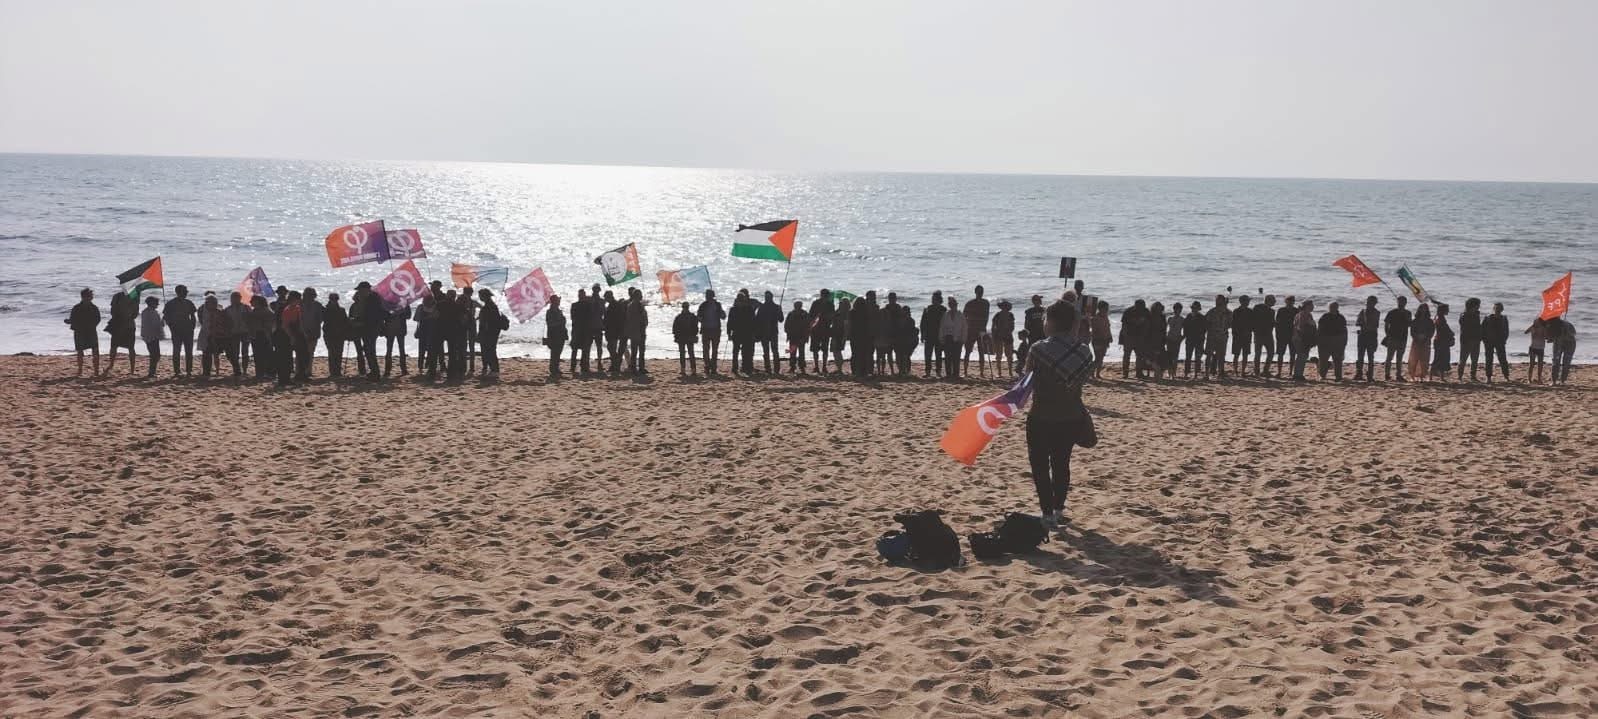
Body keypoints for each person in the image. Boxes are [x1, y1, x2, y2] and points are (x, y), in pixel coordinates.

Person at [1022, 300, 1096, 528]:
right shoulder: (1085, 352)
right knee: (1062, 463)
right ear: (1073, 323)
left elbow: (1026, 380)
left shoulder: (1037, 349)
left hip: (1042, 415)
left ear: (1051, 322)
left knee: (1040, 466)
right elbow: (1081, 380)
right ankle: (1059, 508)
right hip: (1071, 415)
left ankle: (1046, 513)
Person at [352, 282, 386, 381]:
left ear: (366, 289)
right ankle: (374, 371)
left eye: (360, 290)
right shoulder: (368, 298)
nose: (359, 292)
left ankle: (375, 373)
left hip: (372, 328)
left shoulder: (373, 299)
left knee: (369, 349)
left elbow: (372, 316)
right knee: (368, 349)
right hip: (367, 328)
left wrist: (361, 322)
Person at [66, 288, 101, 377]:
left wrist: (69, 321)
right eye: (90, 296)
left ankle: (91, 371)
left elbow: (98, 319)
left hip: (85, 331)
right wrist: (69, 321)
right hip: (85, 331)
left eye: (91, 296)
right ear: (85, 297)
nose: (91, 298)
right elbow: (97, 319)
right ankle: (85, 371)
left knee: (92, 352)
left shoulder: (89, 307)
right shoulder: (80, 307)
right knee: (85, 352)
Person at [162, 285, 197, 376]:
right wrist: (171, 327)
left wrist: (192, 327)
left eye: (186, 291)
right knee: (176, 351)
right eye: (185, 291)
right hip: (176, 330)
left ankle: (189, 370)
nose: (186, 292)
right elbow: (166, 317)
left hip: (188, 330)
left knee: (189, 351)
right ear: (179, 292)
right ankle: (177, 371)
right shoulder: (170, 303)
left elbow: (193, 316)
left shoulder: (189, 302)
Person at [104, 291, 139, 376]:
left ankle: (111, 365)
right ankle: (132, 369)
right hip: (129, 325)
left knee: (114, 346)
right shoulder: (134, 296)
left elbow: (112, 312)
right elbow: (135, 314)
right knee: (130, 347)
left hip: (119, 325)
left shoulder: (117, 296)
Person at [962, 285, 990, 377]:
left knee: (982, 352)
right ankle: (965, 372)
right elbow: (964, 316)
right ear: (975, 292)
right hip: (971, 330)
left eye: (981, 292)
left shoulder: (986, 303)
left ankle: (982, 373)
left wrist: (984, 329)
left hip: (981, 330)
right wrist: (967, 327)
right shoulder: (970, 303)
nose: (980, 294)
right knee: (968, 351)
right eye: (978, 292)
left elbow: (986, 317)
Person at [199, 292, 228, 378]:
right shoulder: (202, 309)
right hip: (206, 332)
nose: (212, 304)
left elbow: (223, 322)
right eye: (210, 302)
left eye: (214, 302)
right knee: (206, 353)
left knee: (216, 353)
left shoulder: (219, 310)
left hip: (217, 333)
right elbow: (201, 320)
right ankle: (206, 371)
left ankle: (217, 370)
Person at [1382, 296, 1411, 381]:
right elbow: (1386, 324)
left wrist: (1407, 319)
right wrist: (1388, 335)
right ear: (1398, 302)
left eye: (1403, 302)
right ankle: (1387, 375)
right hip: (1393, 337)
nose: (1401, 303)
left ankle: (1398, 375)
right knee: (1389, 357)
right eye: (1400, 302)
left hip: (1403, 338)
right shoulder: (1392, 312)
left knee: (1399, 358)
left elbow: (1409, 325)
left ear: (1405, 303)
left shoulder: (1408, 313)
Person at [697, 289, 726, 376]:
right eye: (707, 295)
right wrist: (700, 318)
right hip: (706, 329)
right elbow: (698, 316)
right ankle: (707, 366)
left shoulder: (717, 305)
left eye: (708, 295)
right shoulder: (703, 305)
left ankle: (713, 367)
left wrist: (721, 312)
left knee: (714, 350)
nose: (707, 297)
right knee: (706, 349)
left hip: (715, 330)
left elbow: (723, 316)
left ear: (712, 296)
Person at [1317, 302, 1348, 381]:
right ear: (1329, 308)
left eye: (1334, 307)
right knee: (1323, 359)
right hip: (1326, 340)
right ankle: (1322, 375)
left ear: (1337, 307)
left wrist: (1344, 342)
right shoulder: (1325, 316)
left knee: (1338, 360)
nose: (1332, 308)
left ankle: (1338, 376)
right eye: (1331, 307)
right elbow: (1320, 330)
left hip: (1338, 340)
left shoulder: (1341, 317)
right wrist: (1319, 341)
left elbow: (1344, 330)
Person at [729, 289, 756, 376]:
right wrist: (729, 333)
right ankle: (735, 368)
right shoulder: (733, 309)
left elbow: (753, 322)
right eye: (739, 300)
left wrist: (753, 333)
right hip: (737, 333)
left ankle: (745, 368)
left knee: (745, 352)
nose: (740, 301)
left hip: (746, 333)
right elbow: (729, 322)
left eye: (741, 300)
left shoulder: (748, 309)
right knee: (736, 352)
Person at [298, 287, 324, 380]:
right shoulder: (299, 304)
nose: (309, 297)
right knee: (301, 352)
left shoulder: (318, 305)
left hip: (313, 332)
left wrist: (314, 328)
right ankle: (300, 371)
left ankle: (308, 371)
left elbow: (320, 319)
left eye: (311, 295)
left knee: (310, 352)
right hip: (300, 331)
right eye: (307, 295)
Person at [1353, 295, 1380, 382]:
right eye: (1368, 302)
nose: (1369, 304)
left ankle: (1370, 375)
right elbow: (1357, 323)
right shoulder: (1363, 311)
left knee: (1370, 357)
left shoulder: (1376, 312)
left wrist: (1366, 324)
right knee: (1360, 356)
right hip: (1363, 335)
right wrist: (1362, 323)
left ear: (1375, 303)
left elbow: (1375, 325)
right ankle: (1359, 373)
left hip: (1371, 335)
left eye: (1372, 302)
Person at [919, 290, 946, 378]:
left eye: (934, 299)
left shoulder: (943, 309)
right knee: (928, 354)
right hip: (929, 334)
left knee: (938, 354)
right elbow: (922, 323)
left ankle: (938, 371)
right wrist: (922, 335)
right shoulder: (927, 309)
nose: (933, 301)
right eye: (932, 299)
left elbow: (945, 324)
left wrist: (944, 335)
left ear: (939, 300)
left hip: (939, 335)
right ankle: (928, 372)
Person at [279, 291, 304, 386]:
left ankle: (295, 376)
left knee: (298, 356)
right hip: (286, 335)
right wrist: (291, 337)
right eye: (298, 299)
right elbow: (285, 325)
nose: (300, 301)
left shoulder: (297, 308)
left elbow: (299, 322)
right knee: (286, 358)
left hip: (295, 333)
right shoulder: (287, 309)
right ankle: (284, 379)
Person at [1118, 299, 1147, 379]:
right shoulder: (1128, 312)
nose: (1141, 309)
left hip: (1140, 337)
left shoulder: (1145, 311)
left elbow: (1148, 324)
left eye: (1142, 307)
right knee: (1127, 355)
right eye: (1140, 307)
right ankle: (1125, 373)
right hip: (1129, 336)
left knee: (1140, 355)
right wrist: (1123, 337)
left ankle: (1138, 372)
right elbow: (1123, 325)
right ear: (1135, 306)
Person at [808, 290, 835, 375]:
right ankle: (819, 366)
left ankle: (821, 366)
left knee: (822, 349)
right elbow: (811, 316)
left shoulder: (823, 303)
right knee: (819, 349)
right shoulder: (828, 304)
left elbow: (810, 316)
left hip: (821, 329)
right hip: (820, 329)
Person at [1482, 302, 1510, 382]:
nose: (1497, 310)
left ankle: (1506, 376)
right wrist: (1484, 340)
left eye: (1499, 309)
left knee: (1503, 359)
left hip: (1500, 341)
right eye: (1496, 308)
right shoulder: (1488, 318)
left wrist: (1504, 339)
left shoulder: (1504, 318)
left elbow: (1506, 330)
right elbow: (1482, 329)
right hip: (1489, 342)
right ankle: (1488, 377)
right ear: (1493, 309)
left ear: (1502, 310)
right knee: (1489, 360)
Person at [1203, 295, 1230, 380]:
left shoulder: (1228, 312)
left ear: (1223, 301)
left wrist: (1223, 330)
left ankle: (1220, 373)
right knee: (1209, 355)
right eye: (1216, 301)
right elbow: (1205, 323)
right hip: (1212, 336)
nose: (1217, 302)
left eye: (1219, 301)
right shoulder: (1211, 311)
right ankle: (1207, 374)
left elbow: (1230, 324)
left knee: (1221, 356)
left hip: (1222, 336)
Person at [323, 292, 349, 377]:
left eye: (335, 299)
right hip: (329, 334)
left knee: (338, 353)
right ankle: (333, 372)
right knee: (332, 353)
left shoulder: (341, 310)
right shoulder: (326, 310)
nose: (334, 301)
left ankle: (337, 371)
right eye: (332, 299)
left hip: (339, 334)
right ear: (330, 300)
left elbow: (345, 322)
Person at [757, 290, 783, 374]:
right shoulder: (762, 307)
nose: (767, 298)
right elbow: (758, 320)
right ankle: (768, 368)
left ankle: (776, 369)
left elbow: (781, 320)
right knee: (766, 351)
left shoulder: (776, 307)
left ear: (771, 297)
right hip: (764, 332)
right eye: (766, 297)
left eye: (768, 297)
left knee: (774, 351)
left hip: (773, 332)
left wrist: (779, 311)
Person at [248, 295, 274, 380]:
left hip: (263, 334)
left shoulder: (265, 310)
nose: (251, 302)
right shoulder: (254, 310)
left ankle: (268, 373)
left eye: (253, 301)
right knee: (257, 355)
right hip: (256, 334)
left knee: (266, 354)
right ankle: (260, 373)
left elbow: (270, 323)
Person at [383, 300, 410, 378]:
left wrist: (401, 314)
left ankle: (403, 369)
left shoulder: (404, 304)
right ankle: (387, 370)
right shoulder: (387, 304)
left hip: (400, 329)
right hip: (390, 329)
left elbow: (408, 316)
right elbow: (384, 316)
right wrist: (391, 314)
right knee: (389, 350)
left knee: (401, 350)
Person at [1291, 300, 1317, 381]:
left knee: (1302, 356)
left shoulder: (1307, 314)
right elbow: (1300, 327)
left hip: (1303, 338)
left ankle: (1298, 374)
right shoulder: (1303, 314)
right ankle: (1297, 375)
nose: (1313, 307)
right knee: (1302, 356)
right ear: (1307, 306)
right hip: (1301, 338)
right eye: (1311, 305)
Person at [1457, 298, 1482, 381]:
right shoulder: (1464, 315)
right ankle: (1460, 376)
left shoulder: (1476, 314)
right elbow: (1465, 328)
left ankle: (1473, 376)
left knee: (1475, 359)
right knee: (1463, 359)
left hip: (1475, 339)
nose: (1479, 307)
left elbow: (1478, 327)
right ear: (1472, 306)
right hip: (1466, 339)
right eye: (1477, 305)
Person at [939, 295, 964, 380]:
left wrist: (963, 338)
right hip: (948, 337)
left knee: (956, 357)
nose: (953, 306)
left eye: (954, 305)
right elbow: (942, 327)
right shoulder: (945, 315)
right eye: (951, 305)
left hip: (958, 338)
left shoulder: (960, 315)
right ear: (949, 306)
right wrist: (941, 337)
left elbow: (964, 328)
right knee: (948, 357)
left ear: (956, 305)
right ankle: (948, 374)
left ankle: (956, 374)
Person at [138, 295, 164, 377]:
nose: (157, 304)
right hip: (150, 336)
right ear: (151, 303)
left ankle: (152, 372)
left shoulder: (151, 312)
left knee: (155, 355)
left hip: (152, 336)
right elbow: (153, 325)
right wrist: (161, 324)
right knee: (155, 355)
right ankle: (151, 372)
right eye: (156, 303)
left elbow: (157, 324)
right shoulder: (148, 312)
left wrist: (162, 323)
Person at [1407, 303, 1433, 381]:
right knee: (1414, 358)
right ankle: (1413, 375)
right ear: (1419, 309)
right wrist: (1417, 337)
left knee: (1424, 359)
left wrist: (1426, 337)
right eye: (1422, 308)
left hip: (1426, 341)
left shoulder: (1429, 321)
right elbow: (1412, 331)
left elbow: (1431, 331)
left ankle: (1422, 375)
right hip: (1416, 341)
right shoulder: (1415, 320)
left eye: (1425, 308)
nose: (1423, 310)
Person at [604, 290, 628, 375]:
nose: (605, 299)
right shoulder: (612, 305)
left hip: (614, 330)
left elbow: (619, 318)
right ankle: (615, 364)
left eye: (606, 297)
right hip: (611, 330)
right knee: (611, 348)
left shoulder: (615, 305)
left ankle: (616, 364)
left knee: (611, 347)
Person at [227, 291, 250, 377]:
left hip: (245, 332)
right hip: (234, 333)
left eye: (237, 298)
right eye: (233, 298)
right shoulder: (228, 309)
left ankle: (245, 370)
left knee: (245, 352)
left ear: (240, 298)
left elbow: (250, 320)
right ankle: (236, 370)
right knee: (235, 353)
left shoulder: (246, 307)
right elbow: (226, 322)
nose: (235, 299)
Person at [537, 292, 561, 379]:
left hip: (559, 334)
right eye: (557, 300)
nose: (559, 301)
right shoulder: (550, 312)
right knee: (554, 353)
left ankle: (556, 368)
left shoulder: (557, 310)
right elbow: (550, 323)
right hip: (554, 334)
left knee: (557, 353)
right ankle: (553, 369)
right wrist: (559, 323)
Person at [875, 293, 899, 376]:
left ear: (895, 299)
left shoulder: (897, 308)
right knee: (883, 355)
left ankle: (890, 370)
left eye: (893, 298)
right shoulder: (887, 308)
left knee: (889, 354)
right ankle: (881, 371)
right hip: (888, 333)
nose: (892, 300)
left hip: (892, 333)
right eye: (890, 298)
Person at [569, 289, 592, 376]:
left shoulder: (586, 305)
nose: (582, 296)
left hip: (582, 329)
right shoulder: (576, 305)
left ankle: (582, 366)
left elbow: (590, 316)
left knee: (583, 349)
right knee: (576, 349)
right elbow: (573, 317)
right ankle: (574, 366)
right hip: (578, 329)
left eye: (583, 295)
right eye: (581, 295)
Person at [1253, 295, 1276, 377]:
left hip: (1268, 334)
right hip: (1259, 334)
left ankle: (1264, 370)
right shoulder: (1258, 307)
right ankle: (1257, 371)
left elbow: (1272, 322)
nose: (1275, 302)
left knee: (1271, 352)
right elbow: (1253, 319)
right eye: (1273, 300)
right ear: (1267, 300)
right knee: (1258, 353)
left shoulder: (1272, 311)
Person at [991, 300, 1016, 377]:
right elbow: (993, 327)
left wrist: (994, 334)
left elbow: (1012, 326)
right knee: (1000, 355)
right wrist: (994, 335)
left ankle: (1009, 372)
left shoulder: (1008, 315)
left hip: (1005, 336)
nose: (1004, 308)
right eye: (1003, 306)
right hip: (1001, 336)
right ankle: (1000, 373)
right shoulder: (998, 315)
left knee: (1008, 355)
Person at [626, 287, 648, 375]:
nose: (641, 297)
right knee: (635, 351)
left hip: (641, 330)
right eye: (639, 295)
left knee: (642, 350)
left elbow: (644, 318)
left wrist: (645, 324)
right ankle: (634, 367)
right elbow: (630, 319)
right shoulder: (631, 306)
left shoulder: (640, 306)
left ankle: (641, 367)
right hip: (635, 331)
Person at [673, 301, 699, 375]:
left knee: (683, 354)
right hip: (688, 337)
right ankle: (692, 370)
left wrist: (676, 336)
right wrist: (694, 334)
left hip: (683, 337)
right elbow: (696, 327)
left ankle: (684, 370)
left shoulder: (679, 317)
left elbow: (675, 329)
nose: (685, 308)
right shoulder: (692, 316)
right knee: (690, 353)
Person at [1181, 300, 1206, 379]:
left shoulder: (1202, 317)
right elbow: (1185, 328)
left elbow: (1204, 330)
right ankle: (1186, 373)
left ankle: (1196, 374)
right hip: (1190, 340)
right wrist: (1183, 337)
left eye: (1196, 308)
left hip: (1199, 340)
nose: (1194, 309)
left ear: (1198, 309)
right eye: (1193, 308)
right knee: (1188, 357)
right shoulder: (1188, 316)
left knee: (1197, 357)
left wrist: (1202, 340)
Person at [1274, 295, 1297, 377]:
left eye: (1292, 300)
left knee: (1293, 354)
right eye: (1289, 300)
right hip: (1282, 335)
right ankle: (1279, 372)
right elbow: (1277, 323)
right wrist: (1277, 335)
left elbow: (1297, 323)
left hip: (1293, 335)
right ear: (1286, 301)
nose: (1291, 302)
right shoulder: (1281, 310)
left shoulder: (1296, 310)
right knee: (1280, 354)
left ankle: (1291, 372)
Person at [785, 300, 810, 374]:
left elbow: (808, 326)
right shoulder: (791, 313)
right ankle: (792, 367)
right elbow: (787, 325)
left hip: (801, 336)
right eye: (796, 306)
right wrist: (788, 333)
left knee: (801, 353)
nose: (797, 307)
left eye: (799, 306)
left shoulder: (805, 314)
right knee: (793, 352)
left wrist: (806, 336)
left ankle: (802, 368)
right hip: (793, 336)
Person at [1143, 301, 1167, 380]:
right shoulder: (1149, 316)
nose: (1159, 310)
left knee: (1159, 356)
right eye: (1157, 308)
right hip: (1152, 338)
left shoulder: (1162, 317)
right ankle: (1157, 371)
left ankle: (1158, 374)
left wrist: (1164, 338)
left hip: (1159, 338)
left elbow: (1164, 329)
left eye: (1160, 308)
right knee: (1151, 357)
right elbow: (1147, 328)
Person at [1549, 318, 1577, 385]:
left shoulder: (1567, 324)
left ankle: (1562, 381)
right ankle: (1554, 381)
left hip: (1570, 343)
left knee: (1566, 362)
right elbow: (1550, 337)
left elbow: (1574, 333)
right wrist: (1551, 338)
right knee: (1556, 360)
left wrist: (1565, 333)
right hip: (1558, 342)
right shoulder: (1551, 325)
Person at [1431, 302, 1453, 382]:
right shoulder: (1441, 319)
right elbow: (1444, 330)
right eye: (1447, 309)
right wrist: (1451, 334)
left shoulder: (1439, 318)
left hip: (1440, 340)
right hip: (1441, 341)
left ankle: (1437, 375)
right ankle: (1440, 376)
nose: (1448, 311)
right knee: (1441, 358)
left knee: (1438, 358)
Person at [1230, 295, 1252, 376]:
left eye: (1248, 301)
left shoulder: (1250, 311)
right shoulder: (1236, 311)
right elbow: (1233, 324)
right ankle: (1236, 371)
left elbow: (1252, 324)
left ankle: (1242, 371)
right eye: (1247, 301)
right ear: (1242, 302)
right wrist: (1235, 334)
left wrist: (1249, 331)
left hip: (1246, 336)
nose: (1248, 302)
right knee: (1236, 354)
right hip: (1238, 336)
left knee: (1245, 354)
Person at [829, 297, 851, 375]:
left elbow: (846, 326)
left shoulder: (846, 314)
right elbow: (832, 319)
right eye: (840, 303)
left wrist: (845, 337)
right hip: (836, 333)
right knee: (835, 351)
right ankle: (839, 368)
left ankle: (840, 369)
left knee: (837, 351)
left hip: (840, 334)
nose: (840, 304)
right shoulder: (839, 312)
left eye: (842, 303)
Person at [1022, 295, 1046, 363]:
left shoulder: (1044, 310)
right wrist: (1026, 333)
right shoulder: (1029, 311)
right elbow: (1026, 323)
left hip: (1043, 333)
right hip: (1032, 333)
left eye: (1038, 300)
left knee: (1043, 349)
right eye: (1035, 300)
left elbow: (1047, 322)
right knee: (1032, 350)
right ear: (1033, 301)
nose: (1037, 302)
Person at [895, 304, 918, 377]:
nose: (904, 313)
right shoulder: (898, 320)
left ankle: (906, 371)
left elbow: (911, 331)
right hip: (900, 340)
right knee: (900, 357)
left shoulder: (911, 320)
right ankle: (901, 371)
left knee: (906, 357)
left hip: (908, 341)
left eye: (905, 311)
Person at [1525, 317, 1548, 384]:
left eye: (1537, 322)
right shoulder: (1533, 328)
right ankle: (1529, 379)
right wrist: (1532, 327)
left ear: (1540, 322)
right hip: (1533, 348)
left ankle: (1539, 379)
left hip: (1541, 348)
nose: (1536, 323)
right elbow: (1525, 332)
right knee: (1531, 364)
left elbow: (1546, 337)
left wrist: (1545, 331)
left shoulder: (1543, 329)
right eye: (1535, 322)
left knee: (1540, 364)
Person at [1164, 302, 1184, 380]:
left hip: (1177, 340)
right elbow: (1165, 329)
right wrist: (1165, 337)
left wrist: (1181, 338)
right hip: (1169, 339)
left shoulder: (1182, 319)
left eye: (1178, 309)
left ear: (1181, 310)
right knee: (1169, 357)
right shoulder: (1170, 318)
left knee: (1175, 357)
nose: (1177, 311)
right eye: (1175, 309)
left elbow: (1185, 331)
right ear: (1174, 309)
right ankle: (1170, 373)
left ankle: (1173, 373)